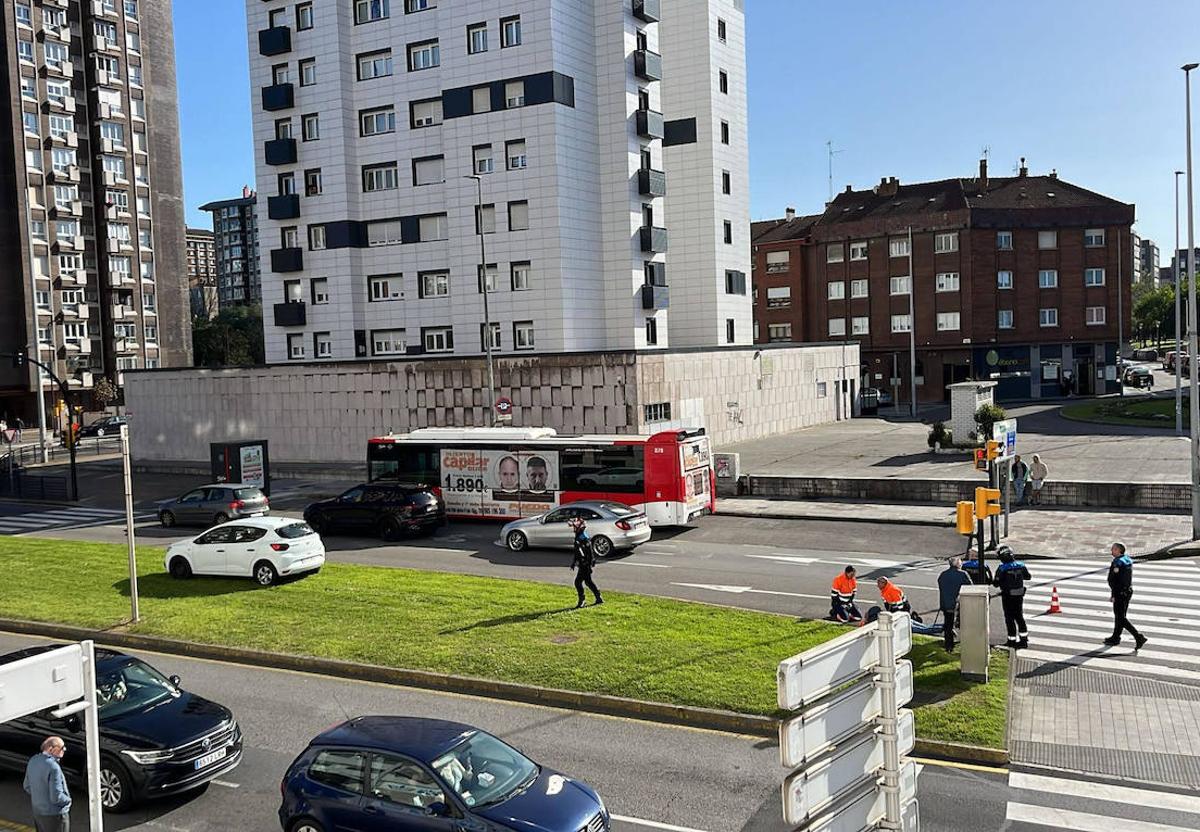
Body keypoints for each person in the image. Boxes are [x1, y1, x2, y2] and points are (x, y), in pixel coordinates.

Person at [1105, 542, 1147, 650]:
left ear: (1119, 551)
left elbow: (1114, 581)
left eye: (1113, 549)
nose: (1111, 551)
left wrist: (1113, 594)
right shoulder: (1127, 559)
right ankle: (1116, 637)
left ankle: (1138, 636)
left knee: (1120, 617)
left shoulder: (1117, 562)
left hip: (1120, 592)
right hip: (1127, 591)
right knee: (1120, 615)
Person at [24, 736, 71, 832]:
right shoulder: (53, 767)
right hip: (55, 815)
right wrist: (68, 800)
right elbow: (56, 797)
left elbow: (27, 786)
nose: (64, 750)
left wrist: (41, 799)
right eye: (62, 748)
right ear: (51, 749)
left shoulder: (33, 760)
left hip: (38, 812)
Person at [993, 546, 1031, 649]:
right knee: (1019, 617)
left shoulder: (1002, 568)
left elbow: (996, 583)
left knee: (1009, 618)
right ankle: (1024, 640)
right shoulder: (1021, 565)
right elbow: (1028, 576)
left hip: (1007, 596)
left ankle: (1011, 640)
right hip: (1019, 595)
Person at [937, 557, 973, 651]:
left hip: (945, 603)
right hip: (958, 604)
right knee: (964, 623)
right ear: (957, 564)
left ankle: (949, 644)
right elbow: (970, 587)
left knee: (948, 624)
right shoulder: (963, 574)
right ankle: (966, 643)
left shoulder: (943, 575)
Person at [569, 517, 603, 608]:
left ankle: (582, 600)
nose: (574, 529)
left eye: (575, 527)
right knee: (588, 582)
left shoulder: (584, 538)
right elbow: (577, 551)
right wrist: (574, 562)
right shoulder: (578, 537)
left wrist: (588, 563)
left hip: (585, 564)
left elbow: (590, 553)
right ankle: (598, 597)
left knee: (578, 582)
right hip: (582, 563)